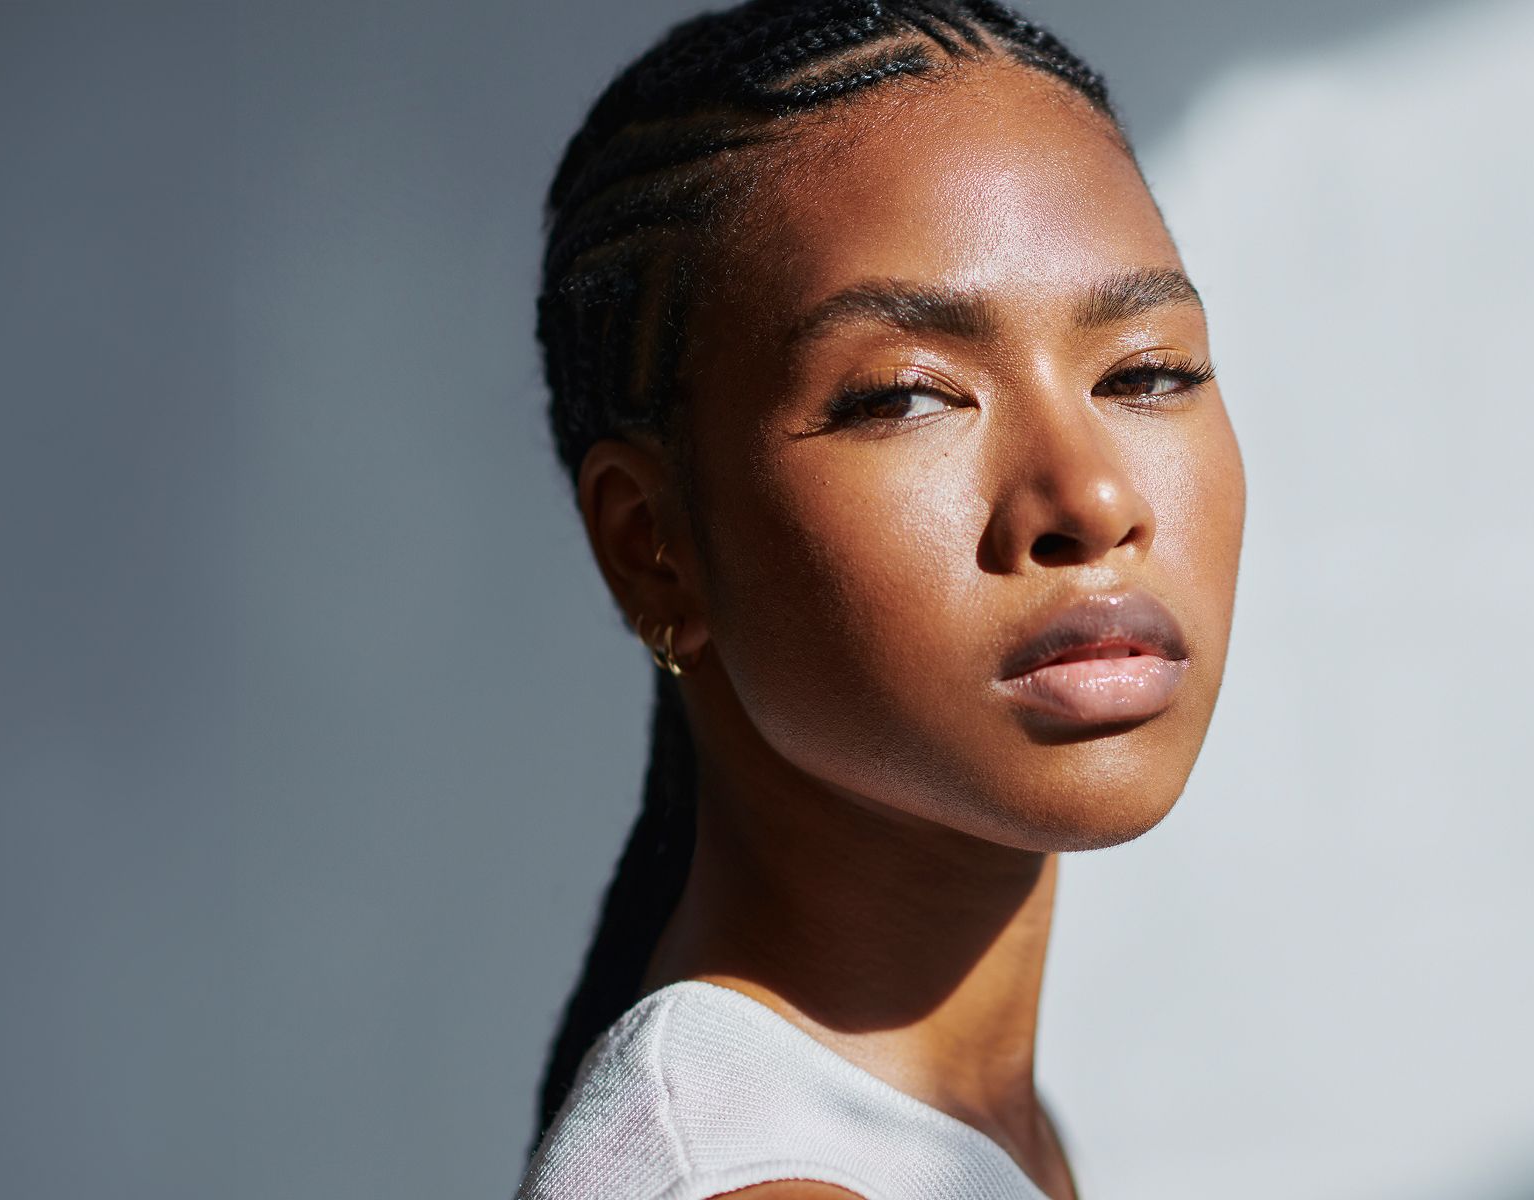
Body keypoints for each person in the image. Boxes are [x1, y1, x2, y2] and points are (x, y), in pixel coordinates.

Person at [518, 2, 1245, 1196]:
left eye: (1147, 371)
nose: (1091, 496)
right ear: (655, 547)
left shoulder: (951, 1131)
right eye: (907, 396)